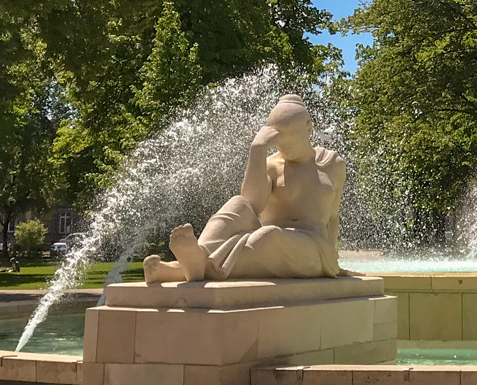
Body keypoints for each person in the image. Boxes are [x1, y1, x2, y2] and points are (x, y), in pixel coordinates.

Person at [144, 94, 344, 283]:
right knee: (238, 203)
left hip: (313, 250)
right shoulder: (269, 164)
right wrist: (257, 150)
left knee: (269, 237)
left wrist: (332, 260)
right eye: (278, 138)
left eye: (291, 137)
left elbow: (333, 218)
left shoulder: (333, 164)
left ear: (309, 128)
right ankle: (199, 257)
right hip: (266, 243)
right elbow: (252, 203)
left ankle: (185, 268)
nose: (285, 145)